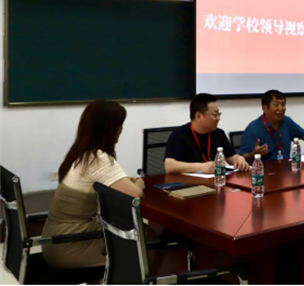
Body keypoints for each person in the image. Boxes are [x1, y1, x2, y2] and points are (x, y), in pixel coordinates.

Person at [42, 100, 144, 269]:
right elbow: (135, 196)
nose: (122, 130)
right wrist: (140, 182)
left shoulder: (80, 153)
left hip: (55, 240)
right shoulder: (97, 159)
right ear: (110, 129)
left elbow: (114, 182)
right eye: (120, 125)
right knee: (144, 240)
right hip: (71, 245)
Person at [239, 90, 304, 162]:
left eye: (283, 104)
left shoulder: (286, 121)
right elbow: (242, 158)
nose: (280, 108)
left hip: (286, 171)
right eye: (276, 105)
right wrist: (255, 154)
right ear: (264, 108)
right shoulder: (253, 129)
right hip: (264, 174)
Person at [164, 93, 249, 173]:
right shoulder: (179, 135)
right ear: (198, 116)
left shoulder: (219, 133)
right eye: (215, 115)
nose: (218, 118)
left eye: (219, 114)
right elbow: (169, 166)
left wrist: (239, 159)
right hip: (188, 182)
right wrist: (200, 167)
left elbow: (231, 157)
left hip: (214, 180)